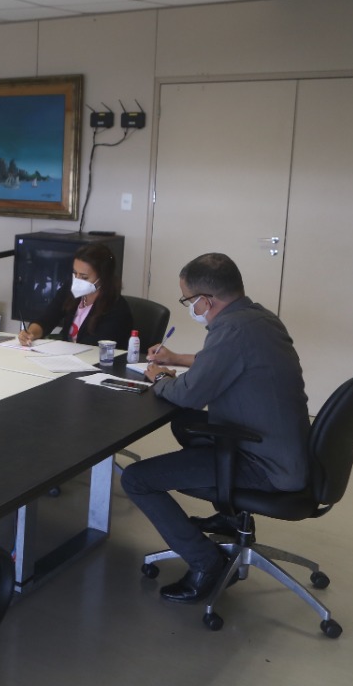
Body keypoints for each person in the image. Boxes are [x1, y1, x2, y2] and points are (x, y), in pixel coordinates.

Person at [122, 253, 309, 604]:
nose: (190, 307)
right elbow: (221, 360)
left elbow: (189, 394)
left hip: (264, 464)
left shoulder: (232, 330)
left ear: (205, 300)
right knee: (187, 424)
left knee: (136, 479)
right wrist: (176, 359)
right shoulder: (256, 318)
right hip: (282, 446)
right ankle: (230, 518)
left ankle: (205, 562)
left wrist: (160, 378)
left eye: (188, 300)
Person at [16, 243, 133, 347]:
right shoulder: (70, 289)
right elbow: (47, 318)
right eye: (75, 273)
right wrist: (31, 333)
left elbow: (95, 347)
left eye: (84, 277)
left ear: (103, 278)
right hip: (67, 357)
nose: (77, 280)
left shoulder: (117, 309)